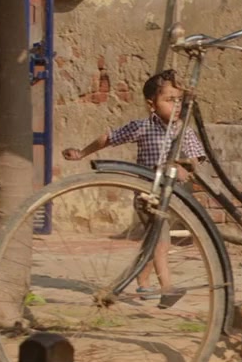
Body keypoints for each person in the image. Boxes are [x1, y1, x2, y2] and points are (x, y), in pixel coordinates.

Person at [61, 69, 204, 308]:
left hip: (172, 197)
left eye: (179, 100)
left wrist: (185, 167)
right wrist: (82, 153)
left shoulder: (184, 130)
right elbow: (109, 137)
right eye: (169, 100)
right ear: (151, 104)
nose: (176, 106)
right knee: (161, 241)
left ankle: (142, 282)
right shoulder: (143, 127)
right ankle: (167, 288)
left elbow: (195, 159)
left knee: (153, 243)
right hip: (148, 195)